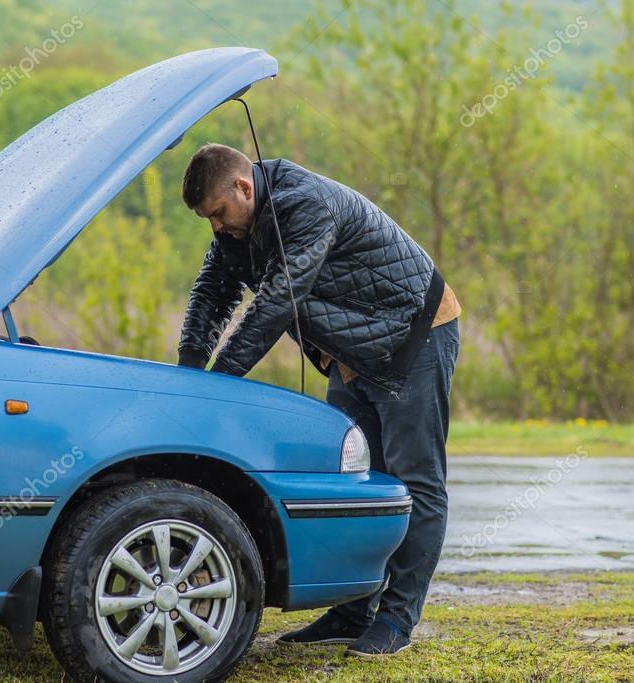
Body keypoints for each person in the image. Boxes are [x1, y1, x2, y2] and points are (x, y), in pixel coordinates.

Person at [177, 143, 461, 657]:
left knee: (413, 479)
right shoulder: (235, 230)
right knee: (350, 479)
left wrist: (219, 385)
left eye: (217, 213)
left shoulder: (304, 204)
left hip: (414, 334)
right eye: (206, 220)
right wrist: (188, 375)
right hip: (352, 350)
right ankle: (352, 612)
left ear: (244, 188)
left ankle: (397, 620)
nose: (215, 227)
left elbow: (277, 301)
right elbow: (210, 296)